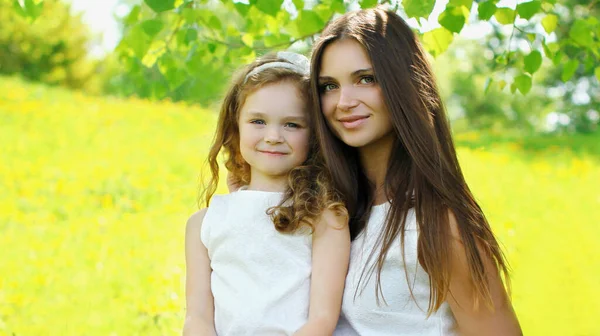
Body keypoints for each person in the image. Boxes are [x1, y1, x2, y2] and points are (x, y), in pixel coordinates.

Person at [309, 7, 522, 336]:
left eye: (366, 79)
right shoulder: (335, 212)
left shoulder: (438, 225)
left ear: (403, 83)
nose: (343, 101)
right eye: (328, 86)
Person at [183, 51, 350, 336]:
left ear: (314, 136)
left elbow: (322, 319)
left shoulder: (325, 218)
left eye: (291, 124)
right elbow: (197, 317)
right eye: (258, 121)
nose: (273, 136)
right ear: (235, 128)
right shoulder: (204, 224)